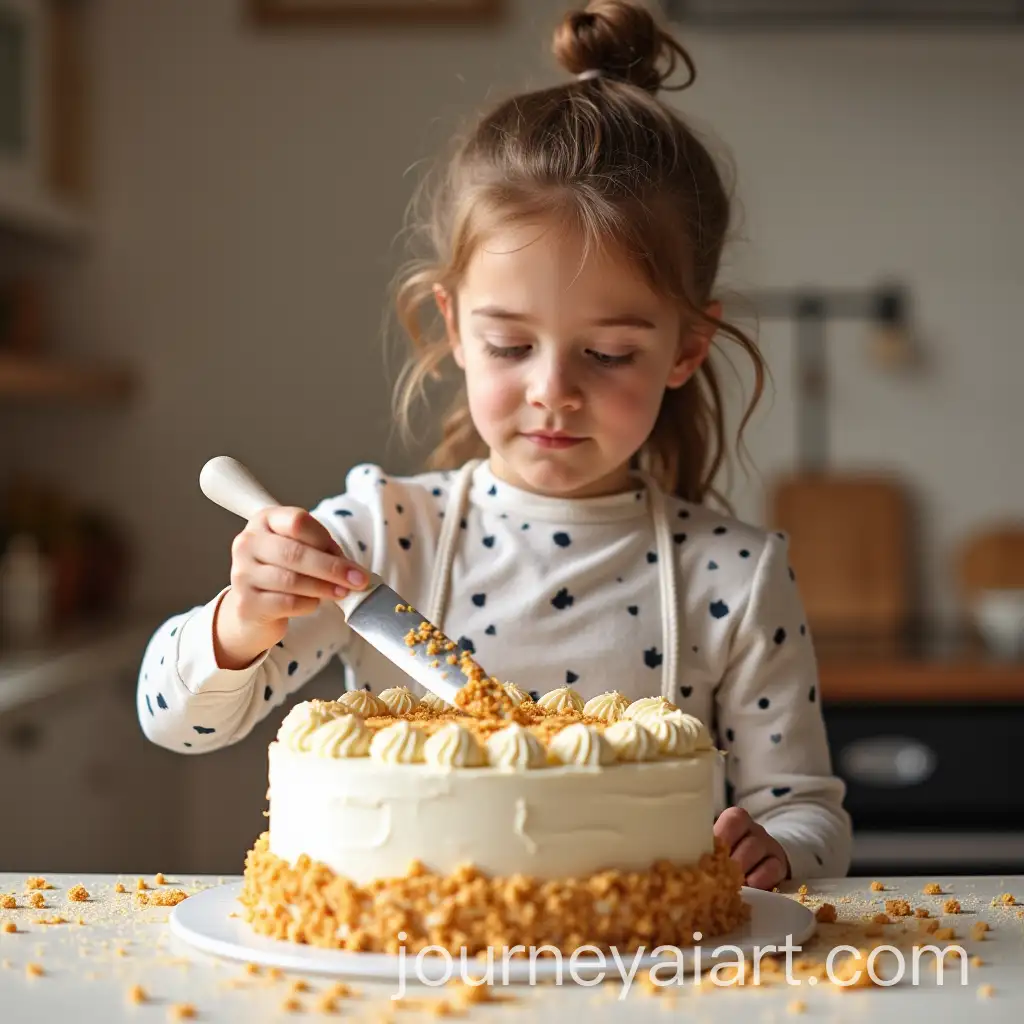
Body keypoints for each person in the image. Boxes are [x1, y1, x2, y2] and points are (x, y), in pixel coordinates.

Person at [137, 0, 851, 889]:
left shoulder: (733, 579)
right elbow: (173, 720)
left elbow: (809, 810)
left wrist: (777, 849)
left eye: (608, 354)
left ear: (687, 348)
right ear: (454, 327)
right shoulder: (381, 539)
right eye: (511, 345)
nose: (553, 389)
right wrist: (243, 619)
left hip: (640, 960)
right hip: (402, 953)